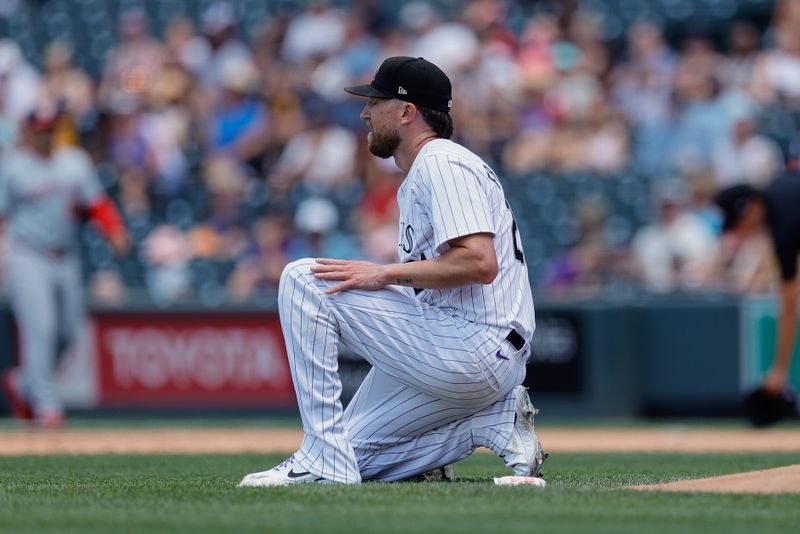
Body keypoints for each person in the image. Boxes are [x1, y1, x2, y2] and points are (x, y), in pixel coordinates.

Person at [238, 56, 545, 487]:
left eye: (376, 102)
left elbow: (479, 261)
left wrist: (384, 274)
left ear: (406, 112)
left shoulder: (441, 161)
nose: (365, 112)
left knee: (304, 279)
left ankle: (322, 459)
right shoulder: (434, 167)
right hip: (469, 347)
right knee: (354, 455)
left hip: (472, 342)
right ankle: (492, 424)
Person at [0, 108, 129, 428]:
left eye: (50, 128)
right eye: (40, 129)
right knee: (40, 328)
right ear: (28, 131)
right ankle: (46, 407)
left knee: (69, 332)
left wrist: (113, 229)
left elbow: (97, 203)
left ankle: (24, 384)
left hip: (66, 255)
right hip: (27, 254)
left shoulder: (74, 162)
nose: (45, 134)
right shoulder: (12, 167)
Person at [715, 165, 800, 422]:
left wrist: (779, 369)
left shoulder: (783, 223)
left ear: (751, 207)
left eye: (739, 222)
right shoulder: (779, 184)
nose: (743, 230)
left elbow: (788, 302)